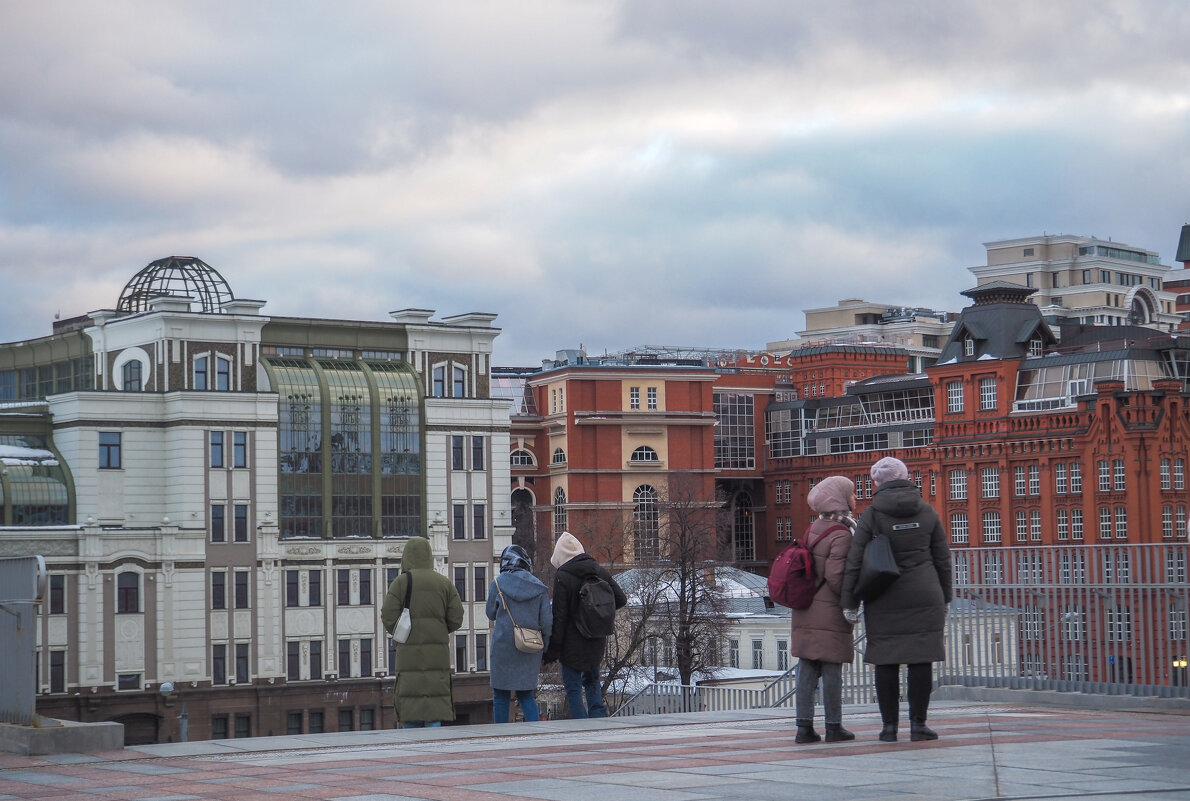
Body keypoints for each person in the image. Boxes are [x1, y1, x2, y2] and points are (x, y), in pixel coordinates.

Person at [840, 456, 952, 743]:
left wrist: (850, 602)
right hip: (925, 593)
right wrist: (945, 596)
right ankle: (918, 725)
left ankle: (889, 728)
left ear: (876, 483)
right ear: (907, 477)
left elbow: (855, 561)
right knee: (921, 659)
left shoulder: (871, 516)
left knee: (886, 660)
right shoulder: (927, 511)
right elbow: (942, 558)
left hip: (883, 596)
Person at [791, 475, 858, 744]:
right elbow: (836, 576)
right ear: (838, 499)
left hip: (806, 605)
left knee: (806, 665)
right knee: (831, 666)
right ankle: (833, 726)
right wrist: (852, 600)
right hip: (828, 608)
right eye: (851, 493)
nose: (855, 497)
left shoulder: (813, 527)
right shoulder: (841, 533)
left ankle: (804, 727)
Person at [381, 536, 464, 728]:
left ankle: (412, 744)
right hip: (437, 657)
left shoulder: (400, 583)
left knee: (410, 712)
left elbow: (387, 616)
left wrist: (402, 632)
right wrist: (439, 629)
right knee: (434, 711)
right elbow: (456, 618)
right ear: (429, 556)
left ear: (406, 557)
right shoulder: (444, 583)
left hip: (408, 657)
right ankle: (434, 744)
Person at [543, 531, 627, 719]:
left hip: (572, 642)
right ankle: (598, 723)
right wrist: (597, 613)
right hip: (596, 637)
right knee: (592, 682)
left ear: (560, 556)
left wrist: (553, 649)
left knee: (573, 687)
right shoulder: (599, 570)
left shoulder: (563, 576)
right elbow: (621, 599)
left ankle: (580, 727)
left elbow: (560, 617)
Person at [486, 544, 553, 723]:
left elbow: (490, 613)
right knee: (526, 696)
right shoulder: (539, 588)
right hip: (529, 648)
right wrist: (545, 648)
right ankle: (535, 733)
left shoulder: (497, 584)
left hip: (502, 647)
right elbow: (547, 622)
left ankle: (501, 734)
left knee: (500, 696)